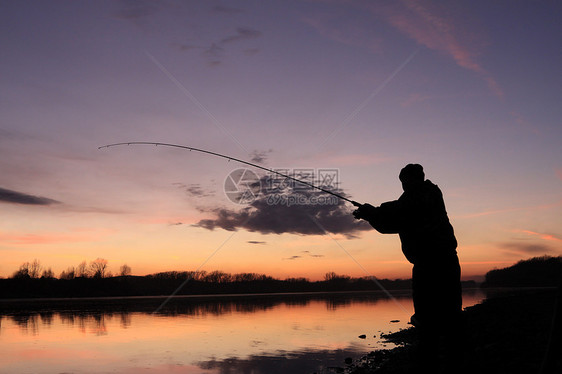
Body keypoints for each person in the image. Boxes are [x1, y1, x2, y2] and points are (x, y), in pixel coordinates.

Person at [353, 164, 464, 370]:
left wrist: (372, 212)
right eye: (403, 182)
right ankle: (437, 357)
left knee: (446, 314)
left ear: (418, 178)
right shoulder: (414, 198)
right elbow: (390, 222)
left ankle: (447, 358)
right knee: (429, 315)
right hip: (426, 263)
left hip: (439, 262)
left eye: (408, 181)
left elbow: (398, 216)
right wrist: (371, 214)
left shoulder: (428, 194)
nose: (405, 185)